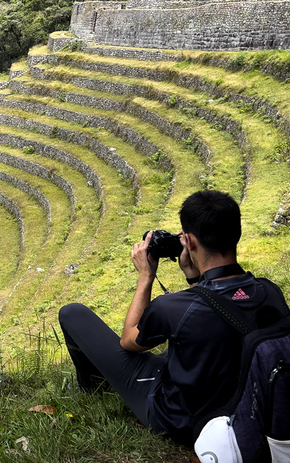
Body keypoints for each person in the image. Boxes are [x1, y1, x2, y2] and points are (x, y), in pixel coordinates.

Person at [58, 190, 287, 445]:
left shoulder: (172, 307)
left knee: (72, 313)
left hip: (178, 421)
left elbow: (129, 340)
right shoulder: (269, 292)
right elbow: (215, 316)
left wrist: (146, 275)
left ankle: (93, 387)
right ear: (237, 233)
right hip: (242, 407)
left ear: (189, 241)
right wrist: (194, 278)